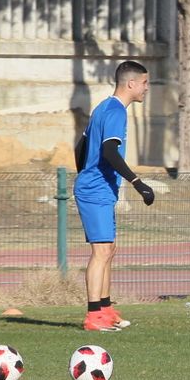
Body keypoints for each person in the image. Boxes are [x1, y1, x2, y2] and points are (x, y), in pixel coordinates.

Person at [73, 60, 156, 333]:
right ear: (131, 84)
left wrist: (86, 172)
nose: (147, 88)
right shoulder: (116, 112)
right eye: (144, 83)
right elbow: (109, 151)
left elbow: (81, 145)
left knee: (108, 250)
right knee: (100, 252)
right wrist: (137, 182)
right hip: (95, 190)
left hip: (99, 188)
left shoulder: (104, 108)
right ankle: (93, 315)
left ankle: (106, 310)